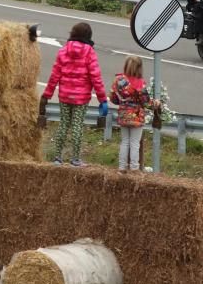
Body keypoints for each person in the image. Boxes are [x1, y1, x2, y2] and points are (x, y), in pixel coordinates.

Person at [40, 22, 108, 167]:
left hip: (64, 95)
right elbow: (95, 77)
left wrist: (47, 94)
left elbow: (54, 75)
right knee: (77, 125)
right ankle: (75, 159)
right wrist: (102, 99)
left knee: (63, 124)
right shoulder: (89, 52)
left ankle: (57, 158)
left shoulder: (63, 51)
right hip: (81, 98)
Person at [109, 56, 151, 172]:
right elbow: (146, 102)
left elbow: (113, 98)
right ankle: (134, 168)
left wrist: (122, 103)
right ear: (139, 68)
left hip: (123, 115)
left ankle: (122, 167)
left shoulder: (119, 80)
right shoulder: (140, 83)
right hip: (137, 116)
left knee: (125, 142)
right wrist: (155, 104)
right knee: (134, 143)